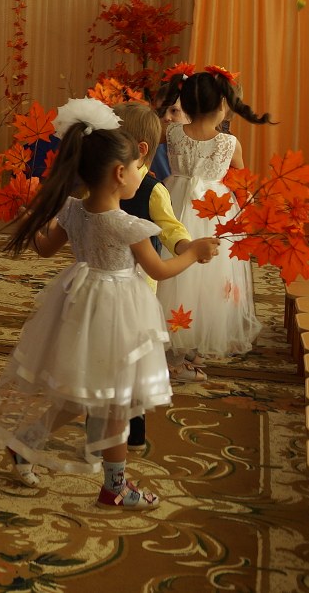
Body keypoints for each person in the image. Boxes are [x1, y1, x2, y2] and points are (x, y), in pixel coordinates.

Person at [0, 98, 218, 508]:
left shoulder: (74, 210)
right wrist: (194, 252)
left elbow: (44, 249)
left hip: (79, 306)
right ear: (120, 173)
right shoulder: (128, 225)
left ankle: (25, 442)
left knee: (80, 393)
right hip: (116, 315)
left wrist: (30, 218)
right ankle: (115, 487)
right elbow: (160, 270)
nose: (142, 174)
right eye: (138, 168)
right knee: (116, 401)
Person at [154, 68, 276, 375]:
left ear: (185, 102)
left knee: (174, 267)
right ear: (223, 103)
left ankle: (181, 343)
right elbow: (242, 183)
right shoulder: (230, 143)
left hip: (174, 200)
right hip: (215, 210)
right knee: (207, 275)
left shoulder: (171, 133)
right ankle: (188, 346)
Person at [113, 100, 195, 450]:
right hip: (102, 283)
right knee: (106, 356)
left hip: (138, 288)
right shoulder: (101, 184)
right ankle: (102, 424)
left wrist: (186, 247)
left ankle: (134, 429)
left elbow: (171, 228)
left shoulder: (153, 190)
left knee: (135, 359)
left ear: (140, 149)